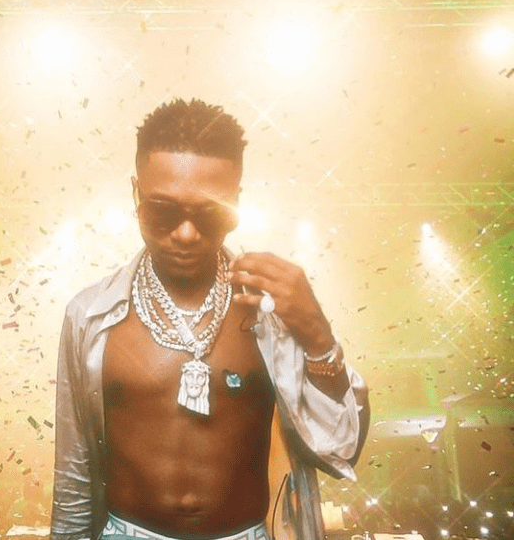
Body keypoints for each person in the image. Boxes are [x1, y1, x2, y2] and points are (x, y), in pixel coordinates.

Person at [50, 98, 369, 540]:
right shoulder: (90, 315)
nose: (186, 233)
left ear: (236, 202)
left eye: (210, 213)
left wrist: (317, 333)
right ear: (135, 194)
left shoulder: (273, 310)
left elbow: (340, 452)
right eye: (163, 211)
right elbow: (74, 474)